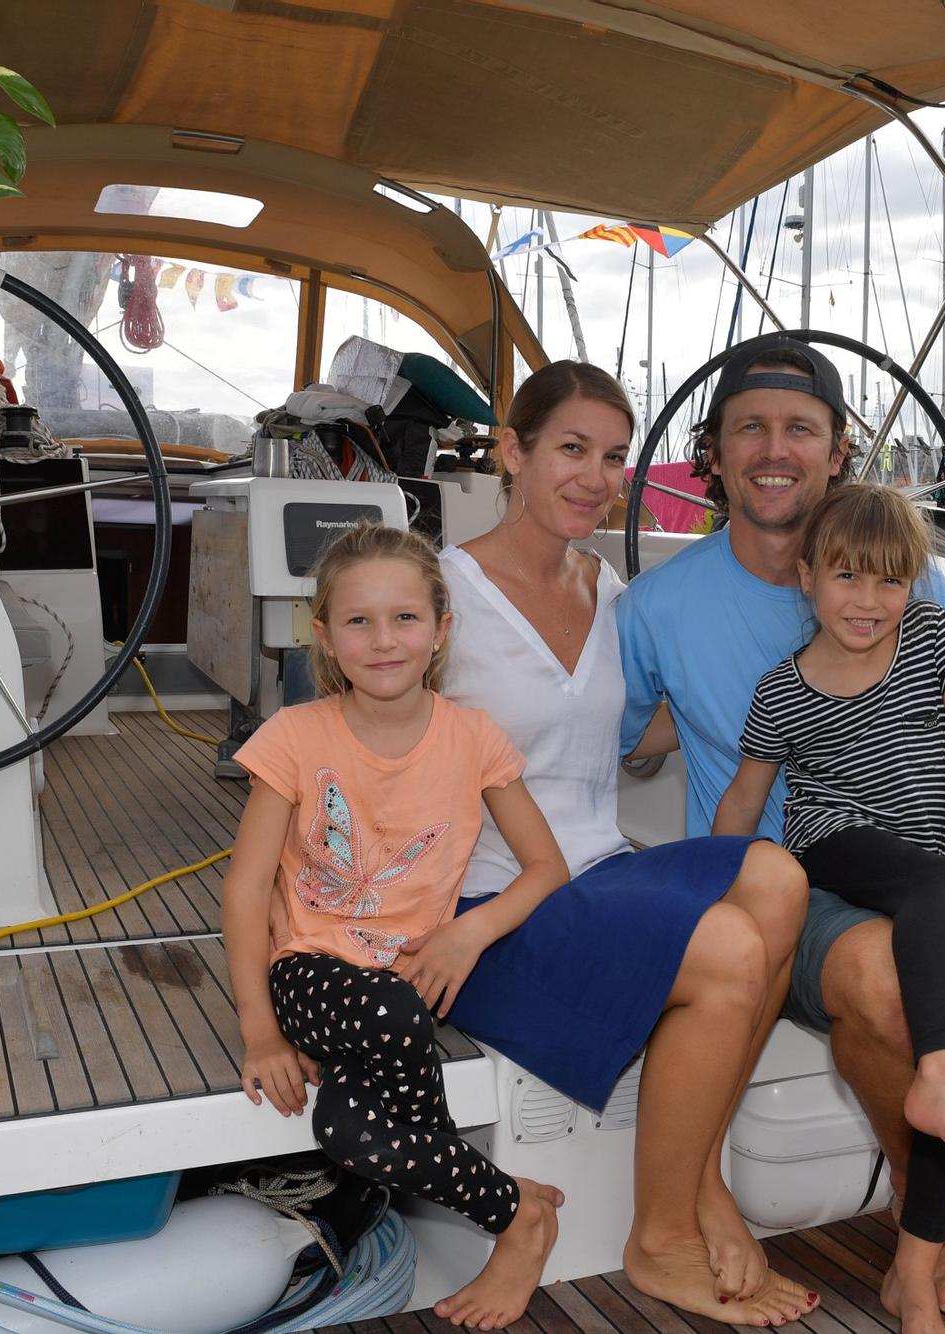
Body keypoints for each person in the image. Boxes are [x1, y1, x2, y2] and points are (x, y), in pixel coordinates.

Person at [620, 338, 945, 1334]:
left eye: (798, 427)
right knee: (884, 971)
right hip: (794, 882)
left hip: (929, 845)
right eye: (747, 426)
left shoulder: (906, 584)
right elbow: (615, 744)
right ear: (710, 450)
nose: (772, 447)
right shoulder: (656, 607)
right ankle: (922, 1223)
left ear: (836, 450)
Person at [439, 360, 818, 1327]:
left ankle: (700, 1182)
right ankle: (664, 1236)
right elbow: (356, 757)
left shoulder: (607, 589)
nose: (596, 476)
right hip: (487, 904)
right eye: (570, 449)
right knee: (731, 946)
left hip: (596, 871)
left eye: (613, 456)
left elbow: (633, 733)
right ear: (512, 452)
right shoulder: (441, 595)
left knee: (777, 877)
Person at [712, 482, 945, 1334]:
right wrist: (716, 887)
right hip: (835, 845)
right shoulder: (782, 690)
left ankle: (914, 1270)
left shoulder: (932, 637)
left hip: (929, 862)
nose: (868, 601)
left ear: (912, 586)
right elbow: (745, 802)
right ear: (808, 578)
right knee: (944, 891)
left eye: (890, 581)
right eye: (847, 577)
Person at [221, 523, 568, 1331]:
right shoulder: (295, 738)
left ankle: (449, 1191)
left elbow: (546, 868)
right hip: (311, 971)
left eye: (406, 618)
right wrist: (261, 1032)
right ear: (326, 639)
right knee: (388, 1011)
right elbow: (244, 891)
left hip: (410, 982)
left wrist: (464, 937)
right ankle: (516, 1217)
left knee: (348, 1128)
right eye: (360, 622)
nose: (385, 640)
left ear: (441, 630)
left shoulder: (474, 738)